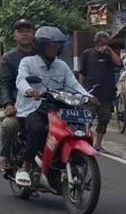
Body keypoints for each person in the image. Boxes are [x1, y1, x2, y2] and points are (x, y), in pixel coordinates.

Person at [13, 26, 94, 186]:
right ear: (41, 46)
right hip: (33, 108)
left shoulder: (62, 65)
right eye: (50, 45)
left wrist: (89, 97)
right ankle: (26, 166)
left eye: (57, 45)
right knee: (38, 128)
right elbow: (20, 80)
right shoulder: (27, 62)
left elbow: (74, 85)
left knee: (77, 128)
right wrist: (29, 90)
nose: (54, 48)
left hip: (59, 109)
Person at [0, 18, 35, 170]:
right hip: (18, 104)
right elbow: (4, 83)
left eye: (28, 31)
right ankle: (5, 154)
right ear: (14, 36)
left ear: (33, 34)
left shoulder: (42, 54)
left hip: (42, 103)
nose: (24, 34)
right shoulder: (9, 58)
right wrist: (8, 103)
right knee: (10, 125)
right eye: (20, 31)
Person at [77, 31, 122, 151]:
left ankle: (98, 144)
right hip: (91, 92)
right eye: (102, 42)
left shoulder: (110, 54)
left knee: (104, 119)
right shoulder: (87, 54)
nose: (104, 44)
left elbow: (119, 63)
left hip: (107, 92)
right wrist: (81, 91)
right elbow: (82, 73)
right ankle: (85, 141)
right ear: (96, 42)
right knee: (87, 118)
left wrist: (110, 51)